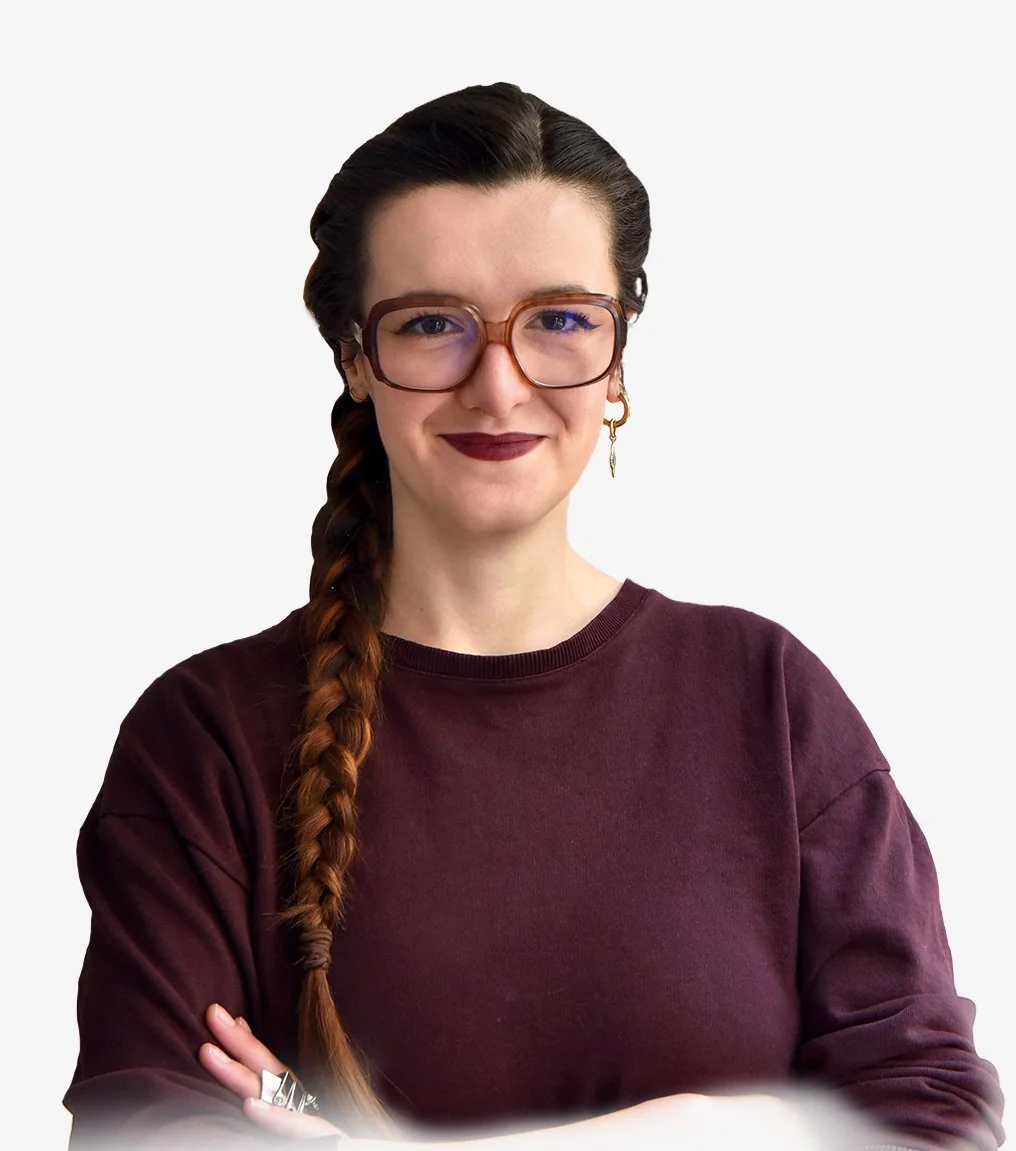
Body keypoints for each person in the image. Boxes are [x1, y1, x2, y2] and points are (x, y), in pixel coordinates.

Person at [63, 81, 1004, 1151]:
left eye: (559, 320)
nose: (499, 386)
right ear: (354, 357)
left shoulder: (769, 698)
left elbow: (929, 1115)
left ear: (618, 351)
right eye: (432, 324)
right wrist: (712, 1130)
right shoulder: (204, 737)